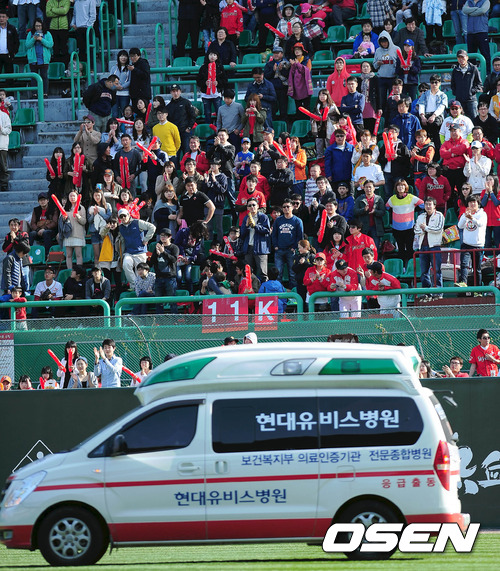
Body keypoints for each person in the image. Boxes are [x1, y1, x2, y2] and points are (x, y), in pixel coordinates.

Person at [386, 179, 424, 265]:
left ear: (406, 187)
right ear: (396, 187)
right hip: (396, 228)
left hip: (409, 228)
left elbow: (422, 205)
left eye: (402, 185)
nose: (400, 187)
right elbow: (387, 207)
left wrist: (414, 209)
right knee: (401, 249)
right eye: (398, 185)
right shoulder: (392, 199)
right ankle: (402, 267)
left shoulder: (411, 197)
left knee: (410, 249)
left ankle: (411, 266)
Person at [117, 208, 156, 289]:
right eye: (121, 216)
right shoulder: (120, 227)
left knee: (139, 271)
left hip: (140, 251)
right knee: (126, 265)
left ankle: (139, 287)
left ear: (128, 215)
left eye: (124, 215)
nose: (123, 218)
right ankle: (135, 285)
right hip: (128, 252)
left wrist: (146, 239)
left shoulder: (137, 222)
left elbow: (152, 227)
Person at [414, 197, 445, 296]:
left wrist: (426, 228)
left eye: (430, 204)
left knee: (437, 270)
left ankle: (438, 292)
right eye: (426, 204)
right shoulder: (420, 216)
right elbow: (416, 230)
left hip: (434, 246)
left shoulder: (439, 215)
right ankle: (426, 292)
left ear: (434, 206)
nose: (428, 206)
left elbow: (439, 229)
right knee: (424, 271)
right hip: (422, 247)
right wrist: (424, 230)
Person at [271, 198, 303, 287]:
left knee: (292, 274)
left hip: (291, 250)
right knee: (278, 273)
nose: (286, 208)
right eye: (284, 207)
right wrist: (275, 245)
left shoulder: (297, 221)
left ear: (292, 207)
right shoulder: (278, 220)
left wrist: (294, 247)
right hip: (279, 250)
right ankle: (278, 291)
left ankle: (294, 292)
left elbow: (300, 236)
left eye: (288, 206)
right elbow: (274, 234)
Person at [458, 195, 487, 286]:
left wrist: (472, 218)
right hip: (466, 244)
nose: (472, 204)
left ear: (478, 203)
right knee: (464, 264)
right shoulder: (465, 214)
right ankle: (463, 283)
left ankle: (477, 289)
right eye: (470, 202)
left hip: (477, 245)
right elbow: (460, 226)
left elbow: (480, 224)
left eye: (474, 202)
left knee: (477, 269)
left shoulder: (482, 214)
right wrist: (466, 217)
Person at [240, 198, 271, 280]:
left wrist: (255, 226)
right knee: (248, 272)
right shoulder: (246, 218)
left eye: (253, 205)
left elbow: (267, 230)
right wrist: (246, 226)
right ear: (247, 208)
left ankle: (263, 287)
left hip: (260, 248)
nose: (252, 207)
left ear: (257, 206)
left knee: (262, 272)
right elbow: (242, 234)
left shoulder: (263, 217)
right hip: (248, 247)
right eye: (249, 205)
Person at [150, 228, 179, 314]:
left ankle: (174, 318)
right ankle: (159, 319)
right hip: (159, 277)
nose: (163, 237)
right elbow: (152, 262)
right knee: (158, 302)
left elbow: (174, 259)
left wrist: (163, 252)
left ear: (170, 237)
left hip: (170, 278)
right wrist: (157, 254)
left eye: (165, 236)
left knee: (172, 301)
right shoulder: (157, 247)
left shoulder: (174, 247)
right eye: (161, 235)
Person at [418, 74, 448, 151]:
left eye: (436, 82)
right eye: (432, 82)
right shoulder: (425, 94)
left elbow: (441, 107)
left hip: (437, 116)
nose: (434, 84)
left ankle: (437, 152)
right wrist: (422, 116)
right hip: (426, 115)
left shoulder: (443, 95)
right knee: (423, 131)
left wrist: (434, 115)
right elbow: (421, 105)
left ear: (440, 83)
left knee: (436, 130)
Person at [197, 49, 227, 126]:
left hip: (216, 93)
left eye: (214, 55)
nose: (212, 57)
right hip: (205, 94)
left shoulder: (220, 67)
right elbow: (198, 81)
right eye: (210, 55)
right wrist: (204, 83)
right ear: (207, 56)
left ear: (217, 57)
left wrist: (218, 83)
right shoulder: (203, 67)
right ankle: (208, 129)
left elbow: (225, 80)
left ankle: (219, 128)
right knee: (207, 113)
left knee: (219, 112)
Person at [25, 18, 53, 98]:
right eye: (36, 26)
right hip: (33, 59)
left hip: (44, 59)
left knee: (44, 76)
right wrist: (33, 39)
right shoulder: (30, 34)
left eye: (40, 26)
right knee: (34, 77)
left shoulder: (47, 34)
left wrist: (41, 39)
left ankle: (45, 93)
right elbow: (27, 45)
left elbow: (50, 44)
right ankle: (34, 93)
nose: (38, 28)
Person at [165, 84, 197, 155]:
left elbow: (193, 116)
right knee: (175, 154)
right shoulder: (168, 106)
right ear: (171, 92)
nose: (175, 93)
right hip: (174, 134)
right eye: (173, 91)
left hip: (185, 132)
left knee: (187, 153)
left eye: (177, 91)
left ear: (180, 91)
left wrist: (189, 127)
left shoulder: (186, 102)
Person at [440, 123, 470, 198]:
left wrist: (450, 150)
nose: (453, 133)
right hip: (448, 170)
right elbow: (442, 153)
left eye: (455, 130)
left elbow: (462, 149)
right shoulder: (446, 143)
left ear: (460, 131)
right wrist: (454, 154)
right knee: (448, 193)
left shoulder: (464, 141)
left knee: (462, 192)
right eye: (451, 131)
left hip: (460, 171)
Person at [450, 50, 483, 119]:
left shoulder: (473, 68)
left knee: (474, 119)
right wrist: (457, 93)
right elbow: (453, 84)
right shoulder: (455, 70)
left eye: (463, 57)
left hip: (471, 100)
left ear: (467, 57)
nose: (461, 59)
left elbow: (479, 83)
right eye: (459, 57)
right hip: (459, 100)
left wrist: (472, 91)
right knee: (459, 119)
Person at [353, 180, 385, 248]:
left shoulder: (379, 199)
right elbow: (355, 211)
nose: (368, 189)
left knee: (375, 248)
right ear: (363, 188)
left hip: (375, 227)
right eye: (366, 187)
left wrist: (375, 211)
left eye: (370, 187)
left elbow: (383, 212)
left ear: (374, 188)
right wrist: (363, 210)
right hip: (363, 227)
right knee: (363, 248)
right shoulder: (359, 199)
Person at [373, 32, 401, 111]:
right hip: (381, 77)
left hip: (392, 77)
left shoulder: (396, 49)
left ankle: (392, 113)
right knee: (381, 98)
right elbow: (374, 65)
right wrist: (378, 63)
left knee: (393, 98)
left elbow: (400, 62)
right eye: (382, 42)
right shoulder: (378, 50)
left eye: (385, 42)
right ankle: (383, 114)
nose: (384, 44)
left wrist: (396, 69)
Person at [463, 0, 491, 76]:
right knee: (471, 56)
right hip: (470, 32)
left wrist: (470, 11)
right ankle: (473, 75)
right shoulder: (468, 1)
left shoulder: (486, 1)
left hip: (482, 31)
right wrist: (477, 9)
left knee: (485, 54)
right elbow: (464, 10)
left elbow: (482, 10)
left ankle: (488, 74)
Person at [202, 158, 228, 240]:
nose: (212, 166)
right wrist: (205, 182)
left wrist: (214, 181)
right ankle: (209, 243)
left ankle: (219, 244)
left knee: (219, 227)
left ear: (219, 166)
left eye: (214, 164)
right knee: (208, 227)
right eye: (211, 164)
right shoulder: (208, 176)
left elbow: (222, 190)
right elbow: (204, 191)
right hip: (208, 205)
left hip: (218, 204)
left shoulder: (222, 177)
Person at [61, 191, 86, 269]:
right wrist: (63, 218)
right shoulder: (65, 208)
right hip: (68, 234)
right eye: (70, 196)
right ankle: (69, 270)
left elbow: (84, 221)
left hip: (78, 234)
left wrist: (78, 216)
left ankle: (79, 270)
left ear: (77, 197)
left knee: (78, 254)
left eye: (74, 196)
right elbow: (60, 221)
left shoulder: (81, 208)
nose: (72, 197)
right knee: (68, 255)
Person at [113, 133, 142, 197]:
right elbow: (114, 167)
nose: (125, 142)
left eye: (126, 140)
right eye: (123, 140)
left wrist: (134, 175)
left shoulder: (135, 153)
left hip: (131, 179)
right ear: (121, 142)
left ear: (130, 141)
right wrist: (117, 176)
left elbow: (141, 167)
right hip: (121, 180)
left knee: (132, 197)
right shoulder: (118, 154)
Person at [71, 0, 96, 65]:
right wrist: (73, 24)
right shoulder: (77, 2)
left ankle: (91, 66)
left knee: (90, 49)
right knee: (81, 49)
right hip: (78, 28)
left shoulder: (91, 1)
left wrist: (88, 25)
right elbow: (74, 15)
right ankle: (83, 66)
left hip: (87, 28)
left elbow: (93, 15)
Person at [109, 50, 131, 118]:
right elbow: (110, 79)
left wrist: (122, 87)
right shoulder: (114, 68)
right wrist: (115, 86)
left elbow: (130, 80)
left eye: (125, 56)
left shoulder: (129, 68)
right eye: (121, 56)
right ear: (118, 57)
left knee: (124, 113)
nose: (123, 58)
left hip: (125, 94)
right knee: (114, 114)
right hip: (114, 94)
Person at [0, 104, 11, 192]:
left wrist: (1, 129)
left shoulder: (4, 116)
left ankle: (4, 184)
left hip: (1, 145)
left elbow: (9, 130)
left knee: (3, 166)